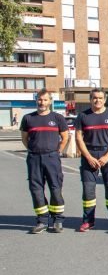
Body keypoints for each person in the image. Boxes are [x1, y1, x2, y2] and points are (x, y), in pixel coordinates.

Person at [75, 88, 108, 232]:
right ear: (90, 99)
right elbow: (78, 138)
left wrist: (107, 156)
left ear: (105, 99)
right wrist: (88, 157)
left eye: (101, 98)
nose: (98, 100)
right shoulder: (83, 116)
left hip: (107, 154)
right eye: (95, 98)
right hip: (89, 154)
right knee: (88, 190)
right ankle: (88, 221)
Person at [21, 89, 68, 233]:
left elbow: (65, 137)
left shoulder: (58, 118)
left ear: (50, 101)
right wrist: (33, 150)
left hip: (52, 157)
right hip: (34, 158)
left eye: (45, 100)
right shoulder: (28, 118)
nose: (42, 102)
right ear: (36, 100)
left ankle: (57, 220)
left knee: (55, 188)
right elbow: (25, 138)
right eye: (40, 100)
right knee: (36, 189)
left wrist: (57, 150)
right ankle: (41, 220)